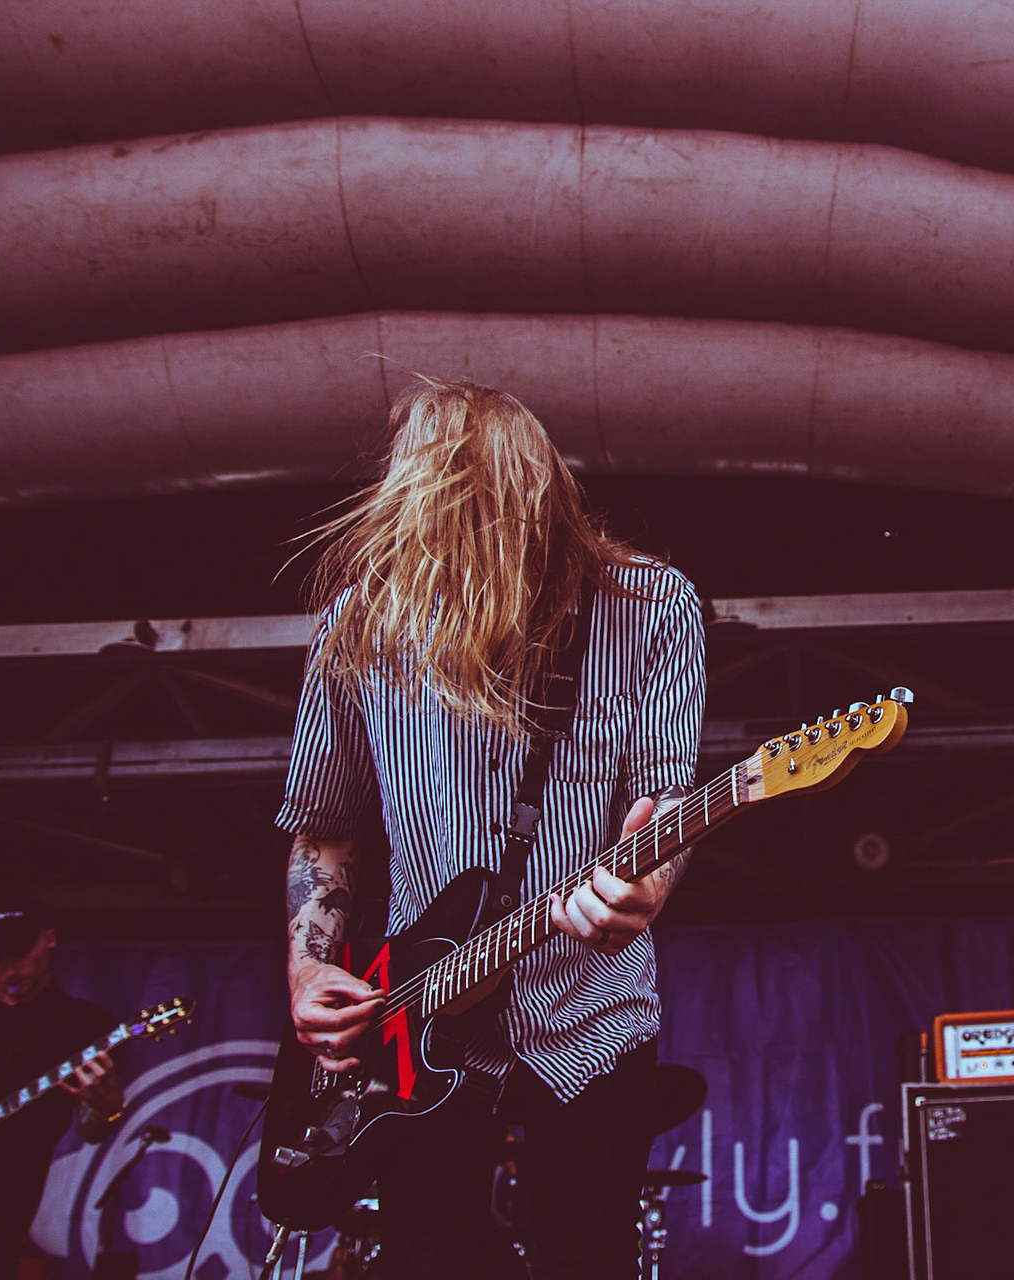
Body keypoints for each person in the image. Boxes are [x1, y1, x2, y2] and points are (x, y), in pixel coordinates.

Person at [277, 376, 705, 1278]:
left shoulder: (646, 605)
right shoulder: (362, 624)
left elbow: (666, 798)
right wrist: (309, 965)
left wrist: (649, 881)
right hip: (414, 1015)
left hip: (590, 1011)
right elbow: (324, 827)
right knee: (424, 1259)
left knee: (586, 1258)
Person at [0, 898, 124, 1280]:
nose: (10, 969)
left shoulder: (85, 1025)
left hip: (1, 1213)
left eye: (21, 952)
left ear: (49, 939)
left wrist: (107, 1108)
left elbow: (93, 1129)